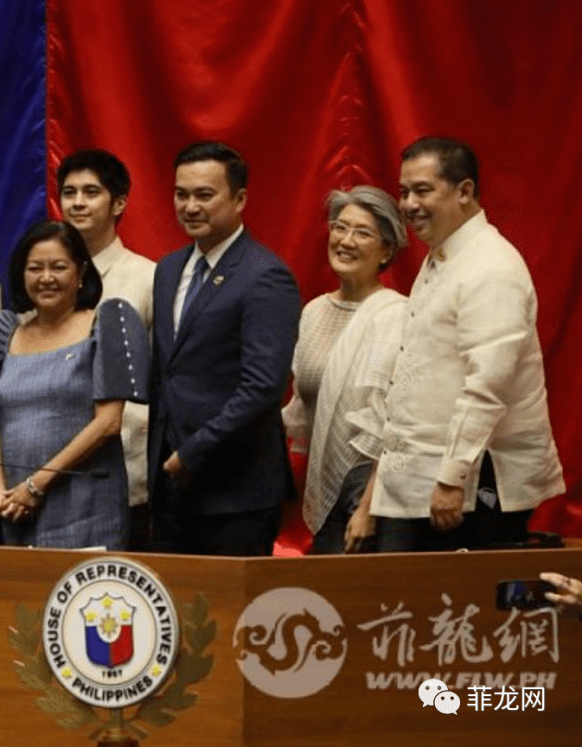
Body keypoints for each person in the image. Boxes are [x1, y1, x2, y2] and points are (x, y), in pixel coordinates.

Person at [355, 136, 564, 552]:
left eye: (423, 190)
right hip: (419, 479)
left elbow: (488, 385)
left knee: (456, 611)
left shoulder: (490, 265)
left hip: (470, 487)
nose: (410, 204)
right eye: (404, 191)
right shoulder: (444, 257)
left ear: (464, 191)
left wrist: (453, 477)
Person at [149, 141, 300, 556]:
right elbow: (168, 372)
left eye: (204, 195)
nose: (190, 206)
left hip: (236, 494)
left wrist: (192, 453)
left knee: (230, 619)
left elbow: (262, 388)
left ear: (239, 199)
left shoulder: (265, 276)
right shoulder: (167, 269)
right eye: (181, 194)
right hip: (169, 489)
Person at [0, 221, 149, 549]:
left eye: (58, 267)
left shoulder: (107, 323)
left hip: (88, 508)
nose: (46, 278)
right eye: (35, 268)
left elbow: (108, 423)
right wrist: (1, 493)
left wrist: (37, 485)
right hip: (17, 509)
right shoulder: (4, 333)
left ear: (81, 272)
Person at [280, 186, 407, 553]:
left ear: (387, 250)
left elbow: (394, 425)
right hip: (323, 491)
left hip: (372, 492)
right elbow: (300, 409)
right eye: (340, 227)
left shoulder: (396, 314)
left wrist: (368, 508)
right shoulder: (314, 311)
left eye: (362, 232)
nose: (346, 240)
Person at [57, 149, 155, 549]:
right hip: (54, 467)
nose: (77, 202)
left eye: (91, 192)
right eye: (69, 192)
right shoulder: (44, 275)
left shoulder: (149, 277)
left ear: (119, 202)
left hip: (127, 467)